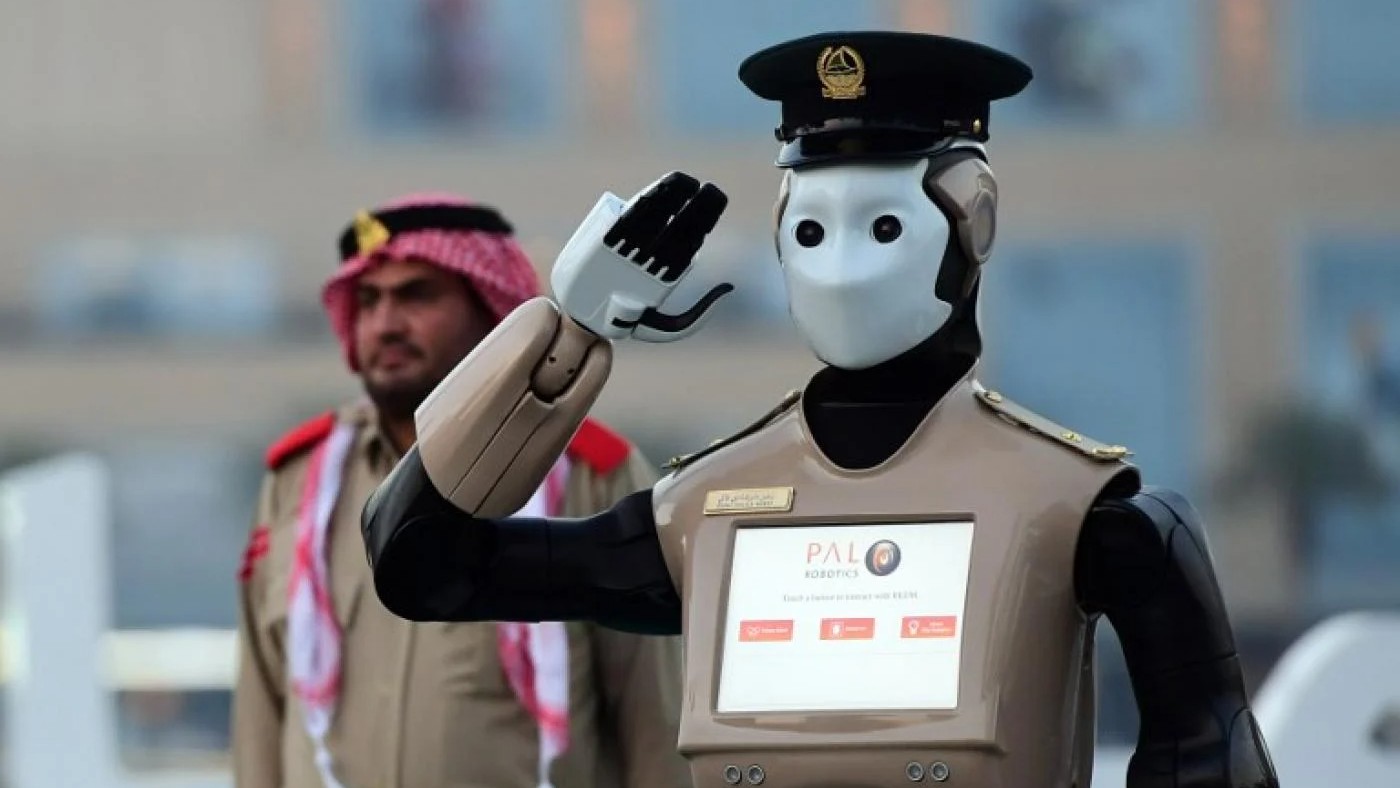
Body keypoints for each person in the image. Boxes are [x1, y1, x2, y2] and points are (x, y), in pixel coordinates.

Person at [360, 32, 1279, 788]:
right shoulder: (703, 509)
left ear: (972, 223)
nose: (839, 269)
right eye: (810, 230)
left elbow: (1209, 760)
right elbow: (418, 563)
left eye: (883, 227)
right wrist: (565, 334)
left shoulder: (1078, 508)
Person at [231, 193, 692, 788]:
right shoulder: (299, 479)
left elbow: (655, 720)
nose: (385, 324)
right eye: (368, 301)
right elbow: (261, 716)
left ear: (492, 313)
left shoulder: (592, 473)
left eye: (417, 295)